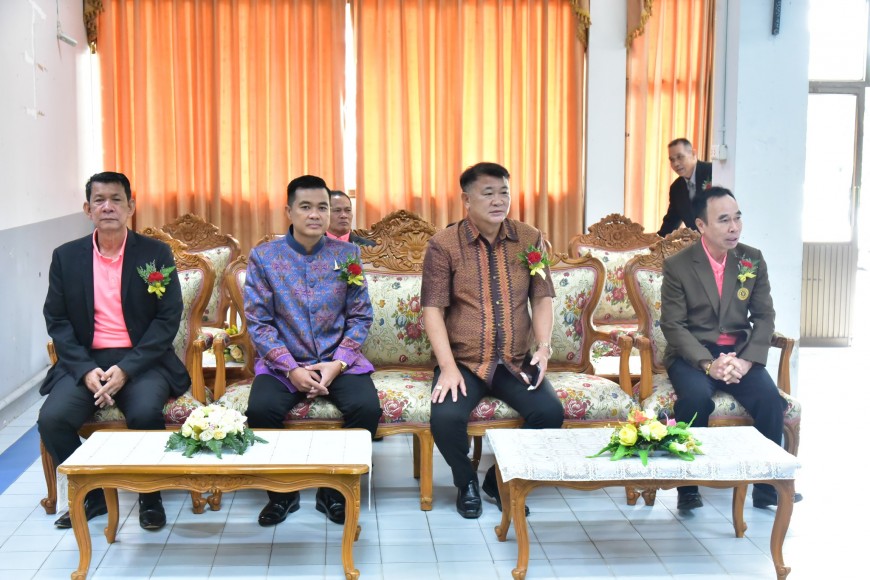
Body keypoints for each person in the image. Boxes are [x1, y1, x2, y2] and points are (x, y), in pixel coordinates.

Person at [38, 171, 188, 531]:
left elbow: (167, 318)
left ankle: (149, 496)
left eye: (116, 199)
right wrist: (84, 369)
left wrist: (127, 369)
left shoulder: (155, 253)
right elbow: (57, 319)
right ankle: (93, 494)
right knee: (52, 420)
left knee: (145, 413)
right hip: (86, 360)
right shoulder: (66, 257)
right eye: (100, 200)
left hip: (143, 360)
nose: (108, 207)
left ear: (130, 207)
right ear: (87, 209)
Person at [421, 162, 564, 519]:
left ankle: (497, 480)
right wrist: (448, 368)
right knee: (445, 418)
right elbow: (433, 310)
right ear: (466, 200)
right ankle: (465, 481)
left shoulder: (529, 238)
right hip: (465, 362)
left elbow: (542, 298)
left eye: (504, 192)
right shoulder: (444, 245)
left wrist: (543, 348)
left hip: (513, 360)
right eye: (488, 193)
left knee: (549, 412)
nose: (499, 200)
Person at [244, 174, 381, 527]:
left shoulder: (348, 254)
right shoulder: (264, 257)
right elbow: (259, 322)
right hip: (283, 364)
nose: (315, 214)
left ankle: (333, 491)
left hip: (338, 360)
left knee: (367, 409)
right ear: (289, 211)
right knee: (260, 410)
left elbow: (361, 315)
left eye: (322, 207)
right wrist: (291, 368)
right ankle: (282, 494)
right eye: (305, 207)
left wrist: (338, 363)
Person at [660, 186, 801, 511]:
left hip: (739, 354)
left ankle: (767, 488)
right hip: (693, 355)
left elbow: (764, 317)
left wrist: (747, 361)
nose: (734, 227)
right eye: (724, 220)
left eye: (737, 218)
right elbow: (673, 326)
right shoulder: (679, 265)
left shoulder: (752, 259)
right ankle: (688, 486)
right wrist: (709, 364)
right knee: (695, 400)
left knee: (770, 401)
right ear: (701, 225)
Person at [657, 138, 713, 237]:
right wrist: (656, 241)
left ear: (693, 154)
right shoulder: (676, 188)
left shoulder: (712, 172)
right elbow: (671, 222)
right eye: (672, 160)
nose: (676, 164)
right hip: (698, 243)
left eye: (680, 157)